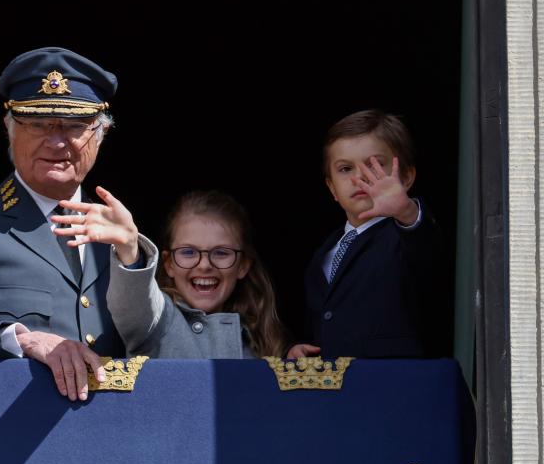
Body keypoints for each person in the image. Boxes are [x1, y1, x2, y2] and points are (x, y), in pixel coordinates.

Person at [0, 47, 123, 401]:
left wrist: (134, 254)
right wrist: (21, 339)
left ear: (100, 133)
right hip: (2, 440)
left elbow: (159, 346)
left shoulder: (119, 235)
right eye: (37, 124)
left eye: (75, 126)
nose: (57, 140)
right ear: (9, 128)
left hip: (112, 438)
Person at [53, 188, 289, 358]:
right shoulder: (158, 319)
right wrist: (129, 248)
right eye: (188, 252)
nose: (204, 265)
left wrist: (292, 363)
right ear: (168, 264)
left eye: (221, 252)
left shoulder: (263, 337)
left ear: (243, 265)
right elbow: (136, 302)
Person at [292, 110, 440, 359]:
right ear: (332, 188)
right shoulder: (324, 253)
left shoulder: (403, 234)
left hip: (392, 384)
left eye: (373, 165)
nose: (359, 177)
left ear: (405, 177)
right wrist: (298, 347)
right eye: (345, 168)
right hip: (333, 389)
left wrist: (405, 210)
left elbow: (429, 250)